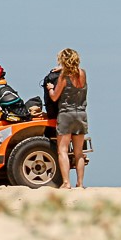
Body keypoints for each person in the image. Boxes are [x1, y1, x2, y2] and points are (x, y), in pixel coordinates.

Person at [48, 48, 88, 189]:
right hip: (81, 114)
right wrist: (61, 68)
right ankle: (80, 183)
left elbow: (54, 97)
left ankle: (66, 182)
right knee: (79, 153)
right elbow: (73, 71)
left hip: (66, 115)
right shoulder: (82, 73)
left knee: (63, 150)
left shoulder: (63, 77)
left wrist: (50, 88)